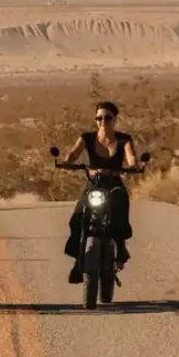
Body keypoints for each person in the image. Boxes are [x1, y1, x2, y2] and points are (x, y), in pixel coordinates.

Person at [61, 100, 138, 284]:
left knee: (120, 206)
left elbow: (131, 157)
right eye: (99, 118)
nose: (103, 121)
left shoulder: (124, 139)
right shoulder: (87, 138)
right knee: (76, 220)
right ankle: (79, 261)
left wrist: (133, 166)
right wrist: (67, 162)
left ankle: (120, 246)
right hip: (93, 184)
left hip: (114, 184)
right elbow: (73, 153)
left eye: (107, 118)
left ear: (115, 119)